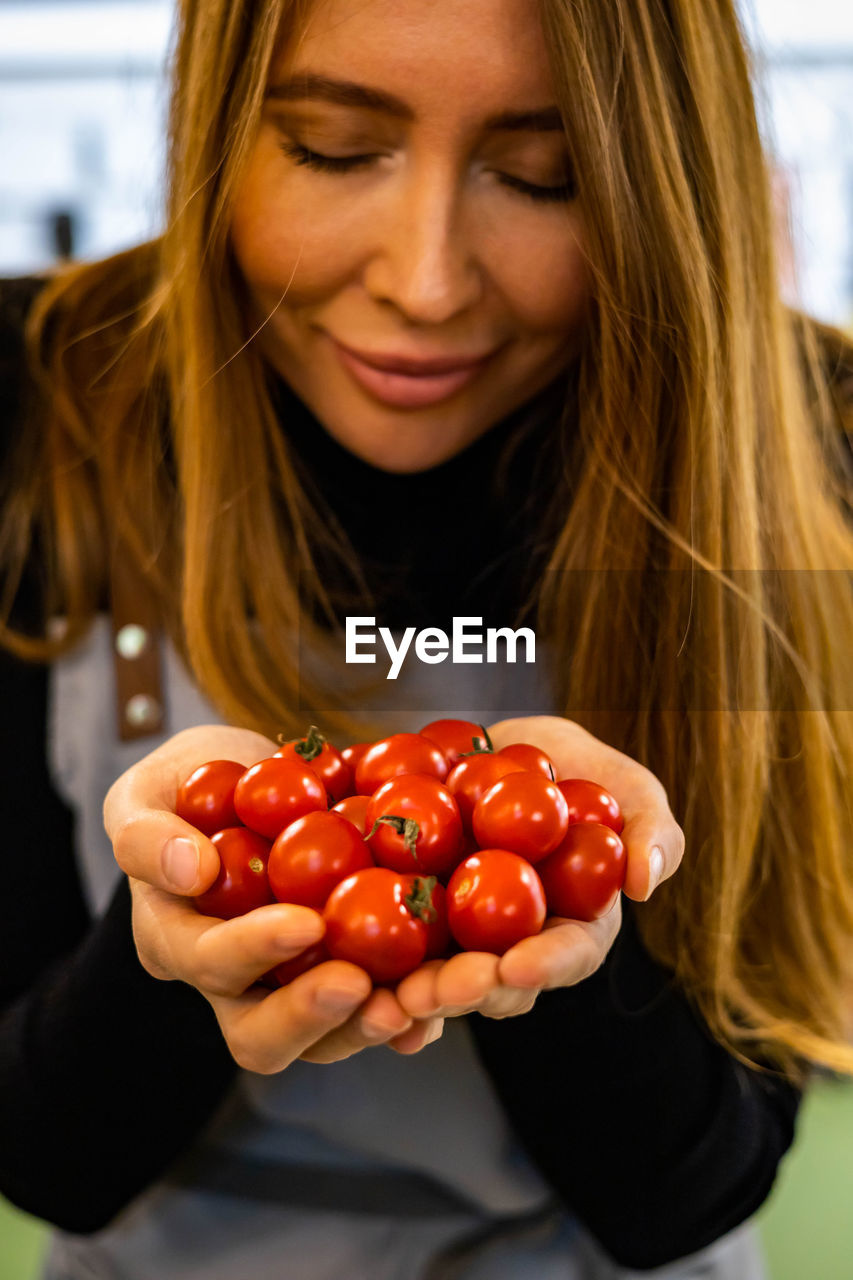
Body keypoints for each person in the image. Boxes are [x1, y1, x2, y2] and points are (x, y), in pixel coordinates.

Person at [1, 0, 852, 1276]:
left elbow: (691, 1187)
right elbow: (44, 1158)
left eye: (542, 176)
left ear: (655, 182)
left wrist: (568, 912)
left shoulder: (793, 441)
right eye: (334, 150)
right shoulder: (42, 392)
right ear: (216, 131)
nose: (426, 280)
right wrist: (165, 940)